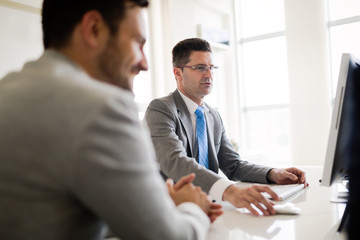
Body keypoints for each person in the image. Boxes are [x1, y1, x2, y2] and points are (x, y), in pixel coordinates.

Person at [0, 2, 222, 240]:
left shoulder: (8, 91)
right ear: (93, 29)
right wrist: (193, 206)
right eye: (138, 43)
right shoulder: (102, 108)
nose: (144, 63)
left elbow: (55, 212)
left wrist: (148, 202)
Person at [145, 38, 308, 216]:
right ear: (178, 73)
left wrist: (272, 173)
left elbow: (233, 165)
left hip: (210, 209)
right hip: (170, 212)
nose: (209, 75)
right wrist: (229, 191)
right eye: (200, 68)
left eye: (211, 68)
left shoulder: (213, 116)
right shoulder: (161, 109)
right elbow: (174, 160)